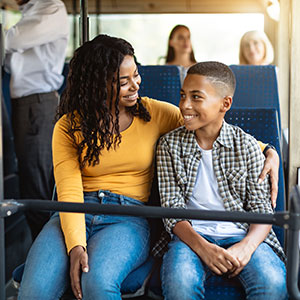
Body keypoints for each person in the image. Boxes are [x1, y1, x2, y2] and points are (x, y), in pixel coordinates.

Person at [18, 35, 280, 300]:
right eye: (124, 81)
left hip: (127, 216)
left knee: (97, 283)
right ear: (98, 84)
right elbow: (69, 190)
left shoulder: (154, 114)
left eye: (136, 75)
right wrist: (76, 245)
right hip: (74, 211)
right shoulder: (68, 126)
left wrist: (268, 150)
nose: (135, 85)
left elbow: (210, 126)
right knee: (34, 291)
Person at [156, 61, 287, 300]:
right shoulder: (169, 145)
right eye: (183, 95)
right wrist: (204, 249)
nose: (184, 105)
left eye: (196, 97)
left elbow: (262, 211)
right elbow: (172, 211)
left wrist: (245, 248)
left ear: (224, 104)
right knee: (180, 285)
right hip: (191, 237)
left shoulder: (246, 145)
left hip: (241, 233)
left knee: (273, 284)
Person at [4, 0, 69, 240]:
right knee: (31, 184)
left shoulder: (50, 7)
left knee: (38, 189)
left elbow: (12, 41)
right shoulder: (29, 11)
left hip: (38, 105)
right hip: (26, 105)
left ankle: (45, 262)